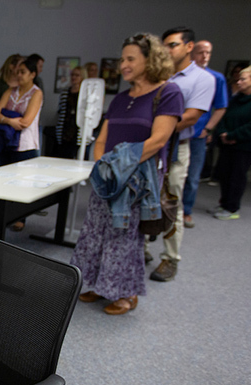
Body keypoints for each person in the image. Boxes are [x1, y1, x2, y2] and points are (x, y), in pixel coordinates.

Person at [71, 33, 182, 315]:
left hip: (137, 181)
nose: (123, 65)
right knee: (95, 232)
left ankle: (125, 293)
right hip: (107, 178)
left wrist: (119, 167)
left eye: (131, 59)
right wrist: (103, 168)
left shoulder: (167, 93)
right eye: (122, 59)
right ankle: (97, 283)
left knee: (124, 234)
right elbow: (100, 140)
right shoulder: (120, 98)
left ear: (150, 59)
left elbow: (158, 141)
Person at [147, 27, 214, 283]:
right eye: (164, 45)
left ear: (189, 47)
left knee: (171, 202)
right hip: (150, 146)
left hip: (176, 147)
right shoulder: (157, 75)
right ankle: (140, 249)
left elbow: (191, 116)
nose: (167, 50)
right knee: (144, 197)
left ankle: (170, 258)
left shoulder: (201, 79)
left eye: (173, 44)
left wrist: (154, 127)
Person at [0, 55, 44, 231]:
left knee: (23, 184)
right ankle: (0, 215)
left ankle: (20, 218)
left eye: (23, 72)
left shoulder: (36, 93)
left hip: (25, 145)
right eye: (17, 72)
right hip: (5, 142)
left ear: (32, 74)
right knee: (2, 182)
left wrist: (5, 117)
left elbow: (26, 121)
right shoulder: (10, 91)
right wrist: (11, 120)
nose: (19, 75)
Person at [210, 65, 251, 220]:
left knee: (236, 176)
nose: (239, 81)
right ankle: (224, 203)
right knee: (224, 174)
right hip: (227, 143)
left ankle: (232, 208)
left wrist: (233, 135)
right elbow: (224, 116)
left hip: (244, 147)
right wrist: (223, 133)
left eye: (243, 79)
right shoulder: (237, 98)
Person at [183, 40, 228, 228]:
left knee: (193, 177)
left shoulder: (215, 78)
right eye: (201, 52)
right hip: (177, 133)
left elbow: (221, 107)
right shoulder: (182, 75)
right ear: (192, 53)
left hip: (198, 135)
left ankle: (186, 211)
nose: (205, 56)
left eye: (208, 53)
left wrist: (208, 129)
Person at [0, 53, 24, 143]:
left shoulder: (23, 87)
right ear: (11, 66)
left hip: (15, 128)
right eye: (20, 66)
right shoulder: (0, 85)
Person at [54, 67, 86, 159]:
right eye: (72, 75)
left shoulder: (85, 94)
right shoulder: (65, 93)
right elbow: (61, 111)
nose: (74, 77)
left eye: (77, 75)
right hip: (65, 128)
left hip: (78, 129)